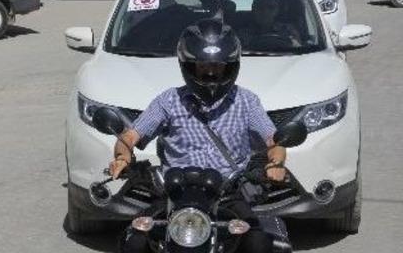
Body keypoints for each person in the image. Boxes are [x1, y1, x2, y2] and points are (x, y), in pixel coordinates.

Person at [111, 19, 286, 253]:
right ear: (188, 65)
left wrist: (275, 163)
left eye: (219, 66)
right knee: (134, 242)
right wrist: (122, 158)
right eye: (203, 66)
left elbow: (274, 141)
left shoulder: (246, 101)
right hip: (174, 193)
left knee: (258, 244)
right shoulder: (169, 101)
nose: (211, 72)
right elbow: (130, 137)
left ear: (231, 66)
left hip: (227, 194)